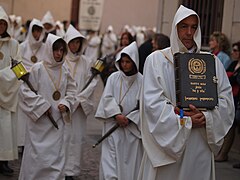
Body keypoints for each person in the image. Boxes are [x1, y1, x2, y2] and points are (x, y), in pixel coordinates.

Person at [138, 5, 234, 180]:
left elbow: (227, 101)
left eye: (194, 27)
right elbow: (152, 104)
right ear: (175, 29)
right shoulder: (156, 61)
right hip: (168, 146)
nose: (189, 32)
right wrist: (185, 121)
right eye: (184, 26)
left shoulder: (212, 62)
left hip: (200, 143)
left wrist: (207, 118)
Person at [18, 34, 77, 180]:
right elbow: (24, 92)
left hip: (56, 122)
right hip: (39, 124)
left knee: (55, 159)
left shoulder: (65, 71)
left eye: (62, 50)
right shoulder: (37, 69)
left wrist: (66, 103)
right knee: (36, 159)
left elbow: (72, 91)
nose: (58, 54)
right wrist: (41, 105)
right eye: (56, 50)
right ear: (49, 49)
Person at [95, 41, 143, 180]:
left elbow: (145, 106)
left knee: (130, 166)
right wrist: (116, 114)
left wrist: (131, 118)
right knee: (110, 164)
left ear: (134, 62)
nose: (124, 65)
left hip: (132, 132)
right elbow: (107, 98)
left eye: (128, 62)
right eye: (122, 61)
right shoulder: (113, 78)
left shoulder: (142, 81)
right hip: (113, 128)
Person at [63, 24, 99, 180]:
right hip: (64, 108)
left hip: (78, 109)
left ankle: (72, 171)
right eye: (72, 42)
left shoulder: (86, 61)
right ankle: (62, 169)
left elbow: (92, 82)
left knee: (76, 139)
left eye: (78, 42)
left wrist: (80, 99)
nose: (75, 45)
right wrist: (67, 101)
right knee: (63, 138)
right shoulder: (61, 60)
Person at [17, 18, 46, 153]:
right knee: (23, 115)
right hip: (24, 84)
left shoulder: (45, 48)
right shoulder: (23, 46)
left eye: (39, 31)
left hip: (38, 85)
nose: (36, 34)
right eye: (34, 31)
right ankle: (22, 142)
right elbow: (18, 63)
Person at [0, 6, 22, 177]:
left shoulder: (14, 44)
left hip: (7, 93)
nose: (0, 26)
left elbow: (19, 68)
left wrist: (2, 77)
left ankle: (4, 162)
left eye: (3, 23)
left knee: (6, 130)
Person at [216, 41, 240, 163]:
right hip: (232, 99)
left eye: (236, 50)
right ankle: (222, 153)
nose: (233, 53)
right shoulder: (233, 63)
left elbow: (234, 79)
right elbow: (225, 78)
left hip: (238, 99)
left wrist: (231, 78)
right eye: (233, 50)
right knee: (230, 126)